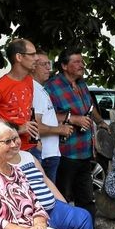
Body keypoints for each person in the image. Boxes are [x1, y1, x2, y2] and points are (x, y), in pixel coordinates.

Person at [10, 139, 109, 229]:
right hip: (33, 214)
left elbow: (46, 180)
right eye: (9, 140)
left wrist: (64, 204)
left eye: (15, 138)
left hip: (53, 206)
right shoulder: (1, 166)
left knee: (82, 216)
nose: (14, 143)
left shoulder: (28, 156)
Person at [45, 49, 109, 229]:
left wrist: (100, 122)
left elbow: (89, 109)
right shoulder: (52, 87)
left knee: (87, 199)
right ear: (64, 66)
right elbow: (45, 115)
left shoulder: (81, 85)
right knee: (62, 198)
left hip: (84, 151)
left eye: (82, 61)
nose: (82, 65)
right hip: (64, 151)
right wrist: (71, 118)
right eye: (77, 62)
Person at [0, 38, 40, 150]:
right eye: (32, 54)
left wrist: (37, 142)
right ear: (19, 57)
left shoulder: (28, 80)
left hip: (32, 147)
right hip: (10, 150)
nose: (37, 58)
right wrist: (18, 129)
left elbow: (26, 116)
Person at [30, 50, 74, 180]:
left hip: (49, 154)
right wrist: (59, 129)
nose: (49, 68)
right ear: (33, 67)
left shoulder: (40, 88)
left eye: (49, 64)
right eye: (44, 64)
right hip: (44, 155)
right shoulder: (35, 90)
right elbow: (35, 126)